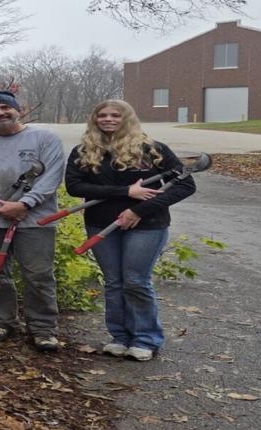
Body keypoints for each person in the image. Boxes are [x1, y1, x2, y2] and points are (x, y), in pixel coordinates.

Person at [65, 99, 196, 362]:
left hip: (146, 225)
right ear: (95, 119)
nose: (108, 119)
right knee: (114, 282)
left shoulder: (153, 150)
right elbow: (75, 187)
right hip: (101, 224)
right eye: (102, 115)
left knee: (136, 281)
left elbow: (185, 185)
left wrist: (138, 210)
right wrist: (126, 191)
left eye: (116, 115)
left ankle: (145, 339)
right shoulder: (84, 151)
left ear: (128, 118)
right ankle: (120, 337)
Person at [0, 90, 67, 351]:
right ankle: (1, 322)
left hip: (36, 220)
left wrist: (25, 204)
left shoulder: (44, 139)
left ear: (18, 110)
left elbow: (52, 176)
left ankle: (43, 328)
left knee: (38, 274)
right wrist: (0, 206)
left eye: (5, 107)